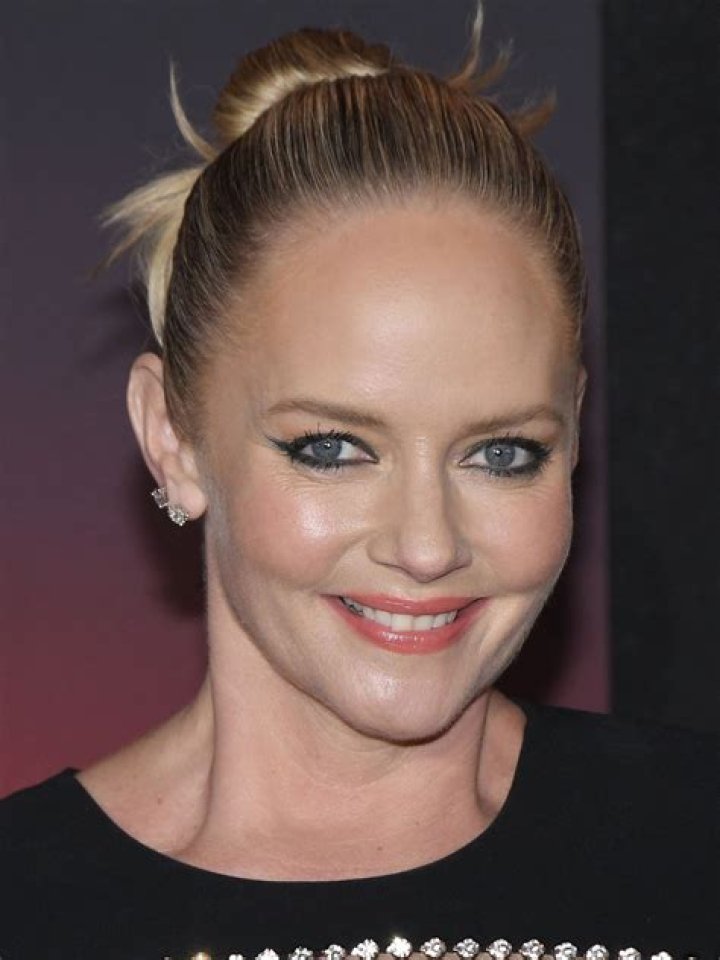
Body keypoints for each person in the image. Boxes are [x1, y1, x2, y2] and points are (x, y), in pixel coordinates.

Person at [1, 11, 718, 960]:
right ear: (172, 438)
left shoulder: (693, 842)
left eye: (503, 453)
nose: (427, 546)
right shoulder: (27, 906)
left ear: (576, 430)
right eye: (333, 448)